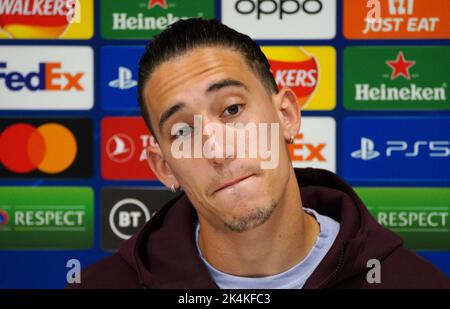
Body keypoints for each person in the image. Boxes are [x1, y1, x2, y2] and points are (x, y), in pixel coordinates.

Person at [69, 18, 449, 289]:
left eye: (232, 110)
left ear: (286, 115)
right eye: (182, 131)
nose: (217, 150)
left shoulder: (412, 283)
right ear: (164, 167)